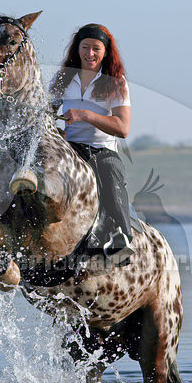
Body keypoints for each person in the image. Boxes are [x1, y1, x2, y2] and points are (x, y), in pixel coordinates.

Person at [49, 23, 133, 265]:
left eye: (96, 48)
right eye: (85, 47)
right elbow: (46, 111)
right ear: (77, 49)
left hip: (101, 151)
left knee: (110, 176)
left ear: (105, 52)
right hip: (69, 150)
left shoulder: (116, 82)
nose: (90, 53)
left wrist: (85, 115)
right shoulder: (63, 79)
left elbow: (123, 128)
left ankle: (120, 238)